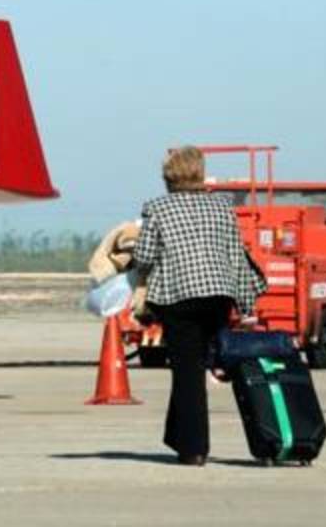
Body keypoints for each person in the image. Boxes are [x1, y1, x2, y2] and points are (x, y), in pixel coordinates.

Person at [134, 146, 266, 466]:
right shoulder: (222, 207)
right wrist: (246, 305)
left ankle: (194, 448)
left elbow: (144, 257)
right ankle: (177, 436)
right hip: (218, 299)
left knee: (188, 374)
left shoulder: (157, 209)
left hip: (179, 300)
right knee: (192, 370)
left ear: (168, 176)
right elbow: (236, 257)